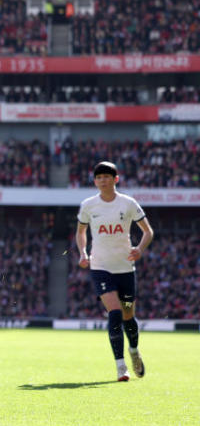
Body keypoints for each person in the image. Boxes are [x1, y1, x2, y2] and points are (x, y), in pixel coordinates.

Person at [76, 161, 154, 381]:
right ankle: (121, 366)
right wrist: (83, 252)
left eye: (107, 177)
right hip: (100, 267)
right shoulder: (88, 205)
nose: (102, 180)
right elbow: (81, 232)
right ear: (95, 181)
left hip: (125, 269)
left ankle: (134, 351)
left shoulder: (128, 203)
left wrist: (139, 248)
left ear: (115, 179)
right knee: (115, 312)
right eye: (99, 177)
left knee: (129, 315)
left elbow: (148, 231)